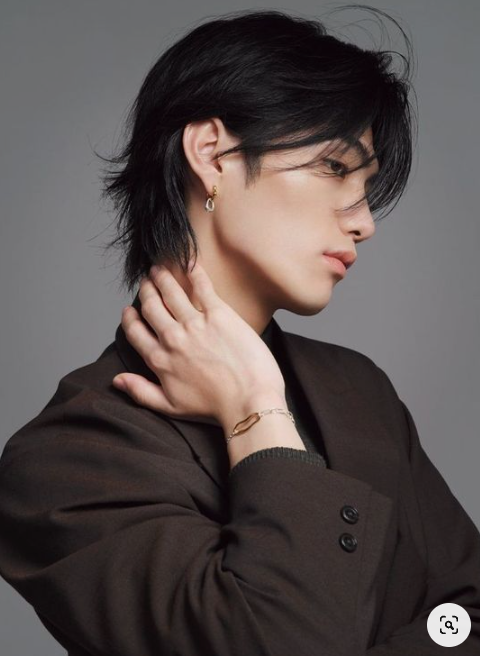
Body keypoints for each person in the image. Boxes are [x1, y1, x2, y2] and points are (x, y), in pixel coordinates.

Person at [0, 7, 479, 656]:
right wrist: (256, 411)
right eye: (337, 168)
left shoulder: (357, 390)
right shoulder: (64, 462)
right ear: (212, 155)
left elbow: (467, 613)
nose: (365, 221)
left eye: (368, 187)